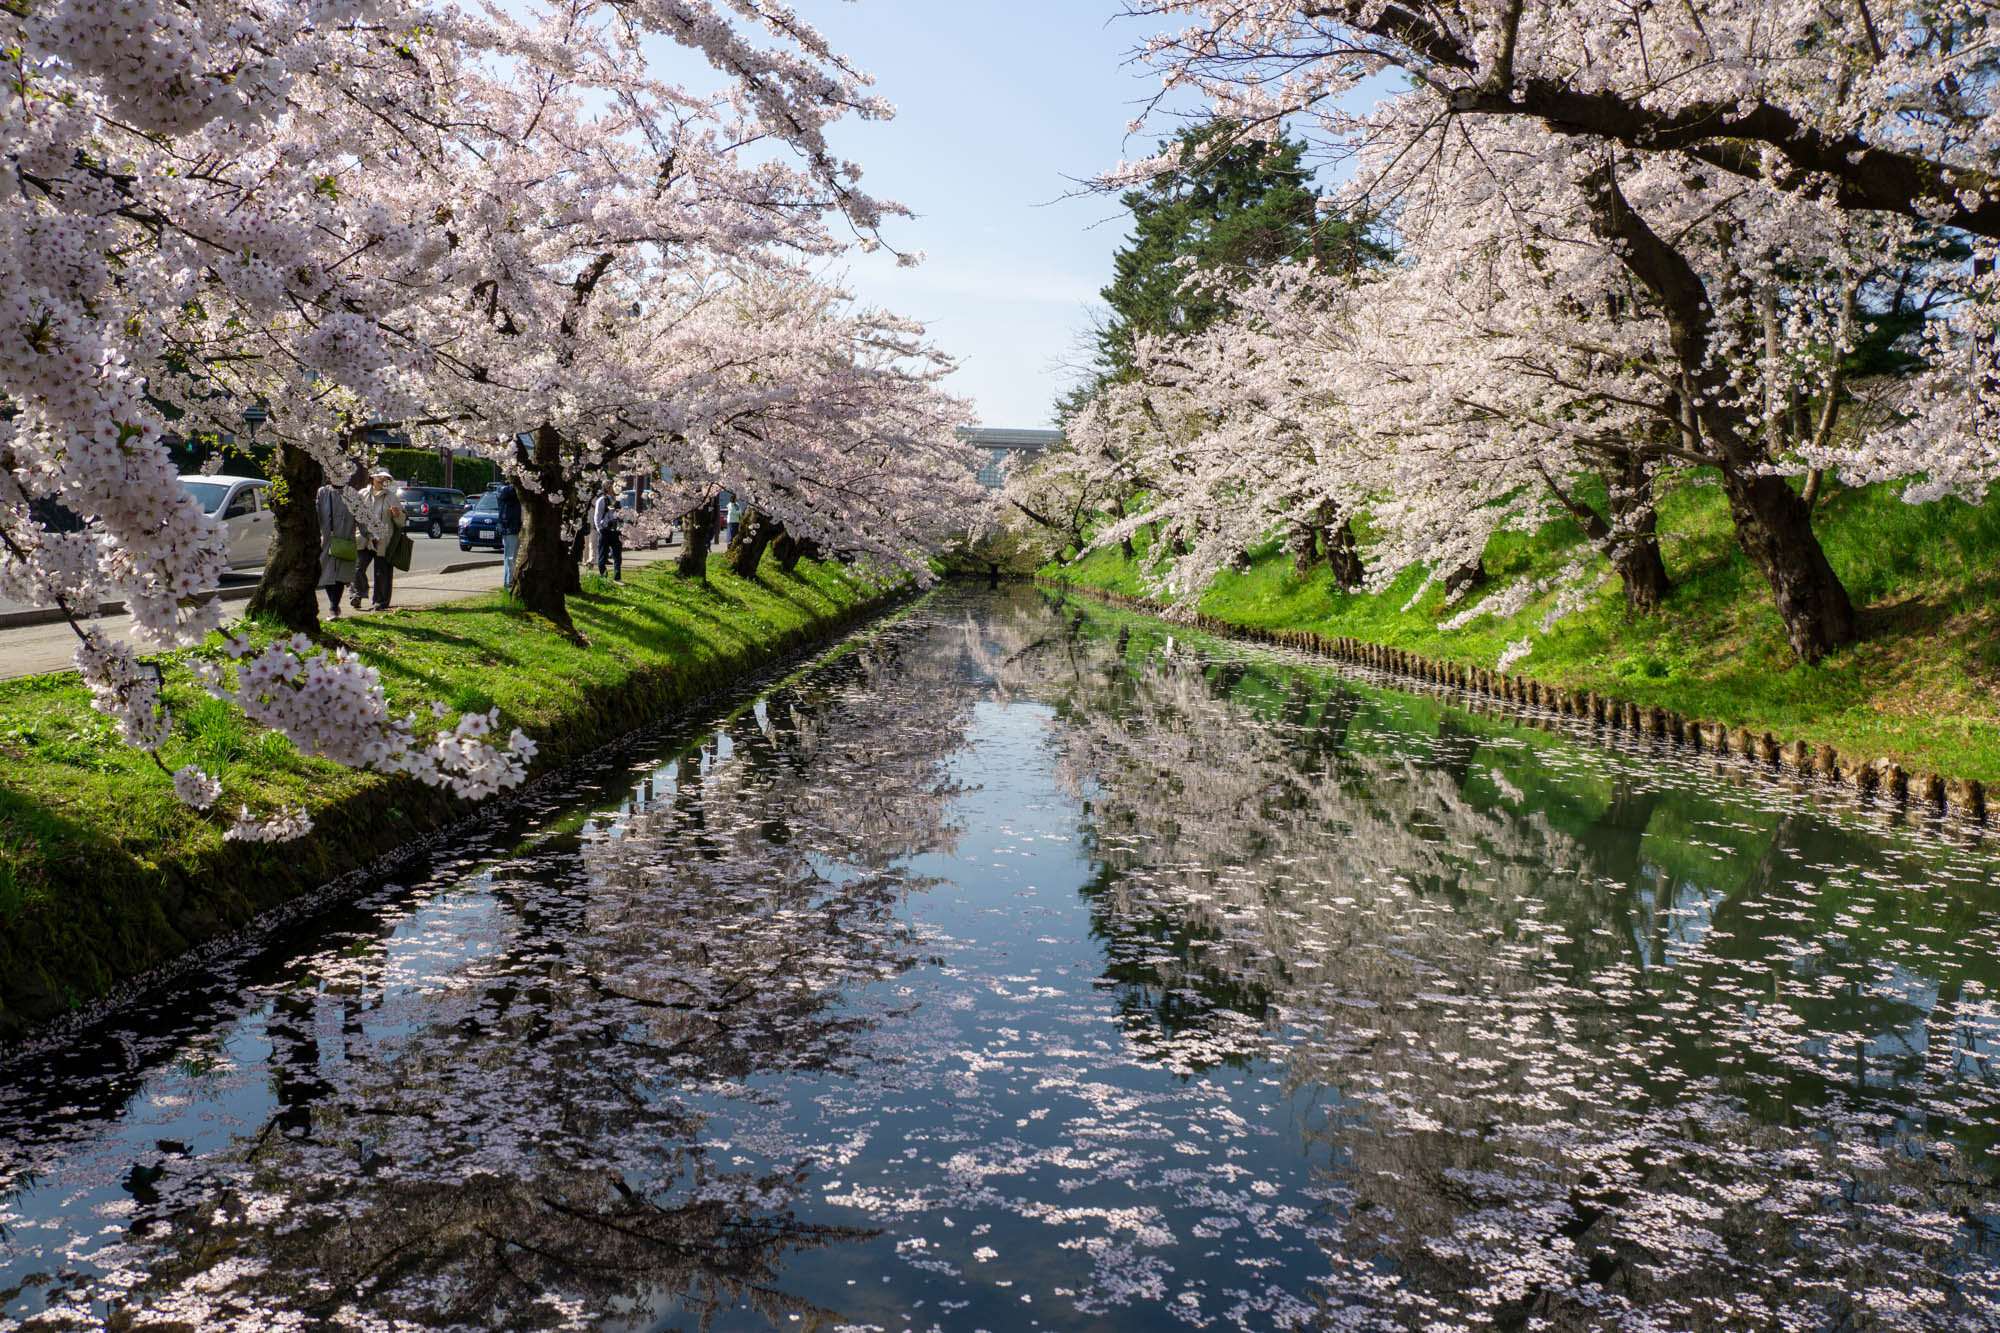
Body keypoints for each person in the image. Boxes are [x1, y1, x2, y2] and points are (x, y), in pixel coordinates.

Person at [351, 468, 407, 612]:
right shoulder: (362, 494)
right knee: (358, 567)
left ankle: (381, 601)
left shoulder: (391, 497)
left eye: (385, 478)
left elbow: (401, 521)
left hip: (383, 539)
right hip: (363, 537)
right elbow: (354, 515)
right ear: (372, 478)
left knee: (382, 571)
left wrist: (397, 514)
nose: (382, 480)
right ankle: (357, 595)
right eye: (379, 477)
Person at [315, 464, 359, 618]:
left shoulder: (351, 493)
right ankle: (334, 605)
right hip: (328, 539)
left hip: (346, 539)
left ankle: (333, 607)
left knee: (341, 574)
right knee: (327, 573)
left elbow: (361, 515)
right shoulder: (323, 492)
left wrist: (369, 534)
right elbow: (316, 513)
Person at [495, 481, 523, 594]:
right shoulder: (503, 488)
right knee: (510, 557)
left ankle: (510, 583)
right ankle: (509, 584)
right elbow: (505, 492)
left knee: (513, 557)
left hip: (517, 527)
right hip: (509, 527)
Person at [596, 497, 624, 581]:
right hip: (605, 531)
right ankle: (603, 576)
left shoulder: (619, 500)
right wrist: (600, 529)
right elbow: (597, 516)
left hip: (616, 531)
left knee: (617, 556)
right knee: (602, 556)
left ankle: (617, 577)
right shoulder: (602, 500)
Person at [588, 482, 614, 568]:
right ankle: (592, 560)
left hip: (605, 526)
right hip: (596, 525)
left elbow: (610, 512)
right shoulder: (599, 499)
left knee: (601, 545)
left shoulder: (610, 498)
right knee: (593, 542)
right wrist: (599, 527)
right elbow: (597, 514)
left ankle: (601, 560)